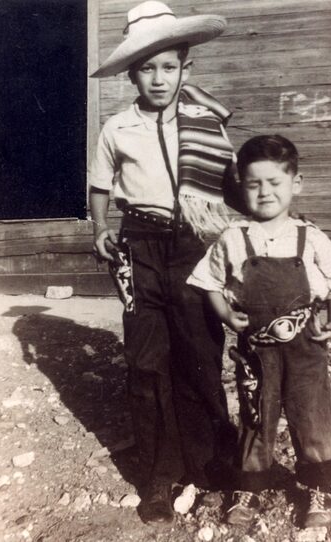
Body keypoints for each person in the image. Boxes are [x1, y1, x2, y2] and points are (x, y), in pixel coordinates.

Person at [88, 0, 240, 526]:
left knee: (200, 350)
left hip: (194, 247)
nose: (158, 78)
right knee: (147, 359)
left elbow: (231, 189)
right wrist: (102, 229)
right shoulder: (117, 129)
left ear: (185, 67)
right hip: (139, 246)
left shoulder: (204, 124)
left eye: (169, 66)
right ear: (132, 74)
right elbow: (100, 187)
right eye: (147, 68)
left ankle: (212, 461)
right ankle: (158, 474)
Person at [187, 134, 331, 528]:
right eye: (254, 184)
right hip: (256, 351)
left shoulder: (309, 237)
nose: (264, 193)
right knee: (255, 416)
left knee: (312, 415)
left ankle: (318, 486)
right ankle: (249, 484)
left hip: (305, 348)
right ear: (241, 187)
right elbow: (209, 283)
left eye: (274, 183)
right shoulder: (233, 238)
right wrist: (228, 317)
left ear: (294, 184)